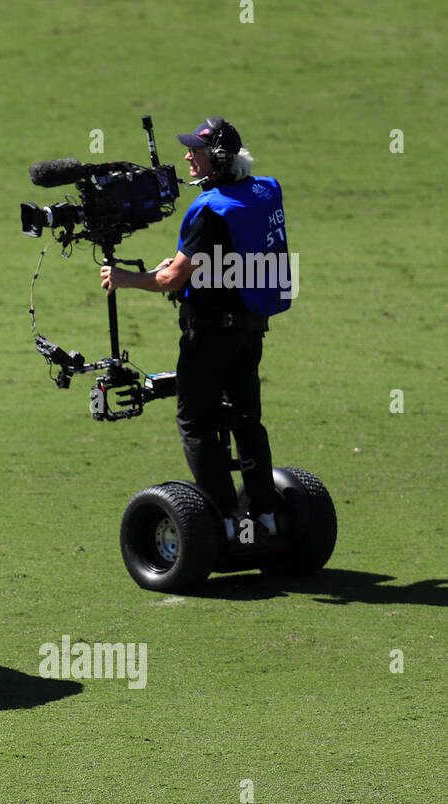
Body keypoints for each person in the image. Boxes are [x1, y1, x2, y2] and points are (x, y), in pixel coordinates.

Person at [100, 116, 288, 541]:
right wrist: (184, 264)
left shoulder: (209, 210)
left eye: (196, 152)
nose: (187, 156)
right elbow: (233, 252)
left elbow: (171, 281)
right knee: (246, 420)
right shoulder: (261, 192)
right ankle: (268, 517)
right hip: (250, 327)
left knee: (196, 422)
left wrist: (126, 278)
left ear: (218, 159)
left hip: (209, 335)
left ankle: (226, 521)